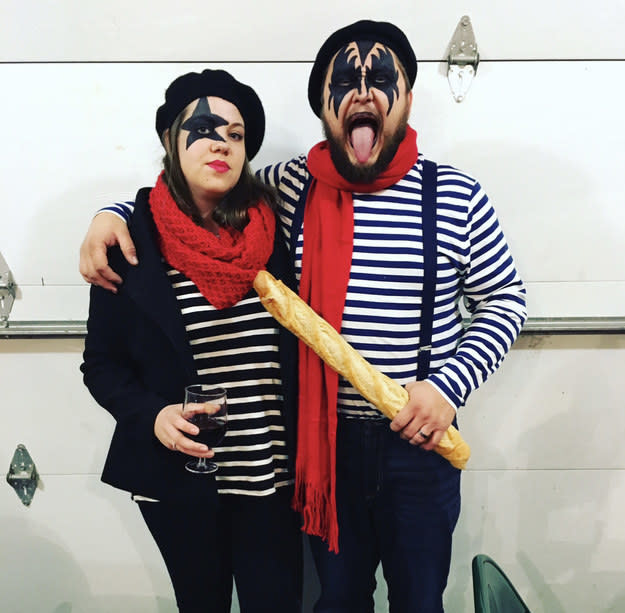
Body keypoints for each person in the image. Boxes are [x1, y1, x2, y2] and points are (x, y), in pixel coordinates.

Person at [79, 20, 527, 613]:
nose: (363, 91)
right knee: (338, 600)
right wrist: (110, 214)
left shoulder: (458, 194)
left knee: (420, 600)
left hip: (418, 444)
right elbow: (190, 202)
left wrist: (448, 388)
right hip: (323, 446)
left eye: (381, 77)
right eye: (344, 80)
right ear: (323, 105)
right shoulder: (287, 190)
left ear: (409, 101)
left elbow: (505, 300)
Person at [80, 69, 302, 613]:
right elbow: (100, 366)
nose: (220, 143)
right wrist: (151, 413)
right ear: (168, 141)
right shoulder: (130, 245)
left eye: (235, 133)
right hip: (177, 482)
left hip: (271, 480)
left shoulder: (272, 232)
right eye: (202, 128)